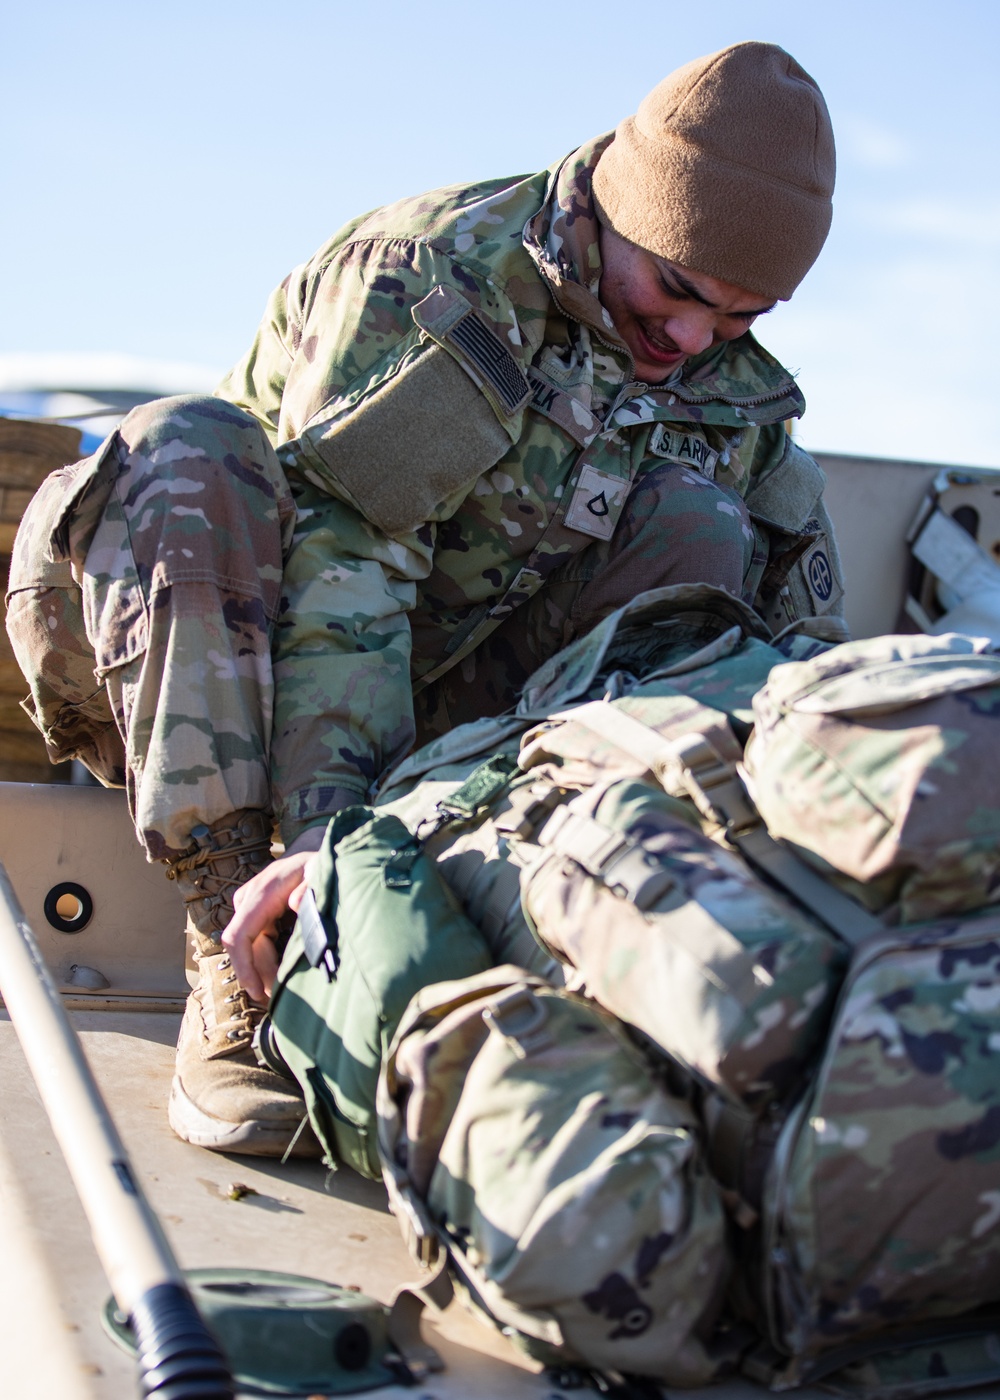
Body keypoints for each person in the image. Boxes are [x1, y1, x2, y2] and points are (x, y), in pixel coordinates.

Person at [5, 40, 844, 1156]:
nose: (689, 340)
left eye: (739, 318)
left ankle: (530, 906)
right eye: (678, 289)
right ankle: (238, 951)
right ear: (618, 204)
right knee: (183, 448)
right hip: (232, 677)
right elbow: (344, 575)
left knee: (702, 529)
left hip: (450, 725)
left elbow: (790, 652)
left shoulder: (736, 394)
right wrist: (326, 868)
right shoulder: (438, 278)